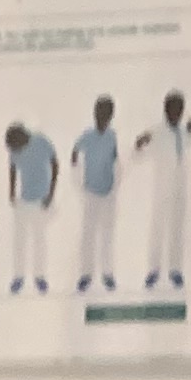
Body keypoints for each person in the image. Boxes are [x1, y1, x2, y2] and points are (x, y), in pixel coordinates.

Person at [134, 87, 191, 288]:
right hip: (162, 188)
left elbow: (186, 146)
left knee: (177, 229)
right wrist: (139, 145)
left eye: (180, 108)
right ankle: (153, 270)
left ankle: (175, 270)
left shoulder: (182, 131)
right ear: (166, 109)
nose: (177, 112)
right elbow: (140, 156)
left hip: (180, 188)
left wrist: (190, 132)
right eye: (173, 108)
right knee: (158, 229)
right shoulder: (156, 132)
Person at [69, 95, 121, 290]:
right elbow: (74, 153)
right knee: (88, 235)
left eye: (106, 114)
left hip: (108, 194)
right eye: (99, 112)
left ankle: (107, 274)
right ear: (94, 113)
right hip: (90, 193)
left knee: (107, 235)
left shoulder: (112, 136)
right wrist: (79, 182)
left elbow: (115, 159)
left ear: (111, 116)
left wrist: (114, 185)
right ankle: (86, 274)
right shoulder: (87, 136)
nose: (102, 117)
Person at [4, 116, 57, 291]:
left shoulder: (41, 141)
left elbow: (55, 163)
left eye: (16, 146)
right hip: (23, 199)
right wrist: (12, 191)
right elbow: (12, 168)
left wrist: (51, 193)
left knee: (39, 239)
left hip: (41, 200)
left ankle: (39, 277)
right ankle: (18, 277)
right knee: (19, 240)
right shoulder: (14, 150)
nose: (16, 150)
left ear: (22, 137)